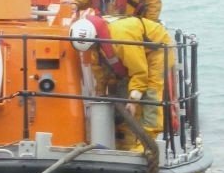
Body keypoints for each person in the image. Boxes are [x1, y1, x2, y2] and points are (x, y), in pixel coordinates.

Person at [69, 10, 175, 151]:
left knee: (151, 93)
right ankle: (127, 141)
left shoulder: (122, 38)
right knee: (120, 88)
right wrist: (100, 91)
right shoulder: (96, 43)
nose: (92, 49)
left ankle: (148, 142)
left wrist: (133, 99)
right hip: (135, 56)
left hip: (157, 50)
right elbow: (100, 68)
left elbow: (139, 72)